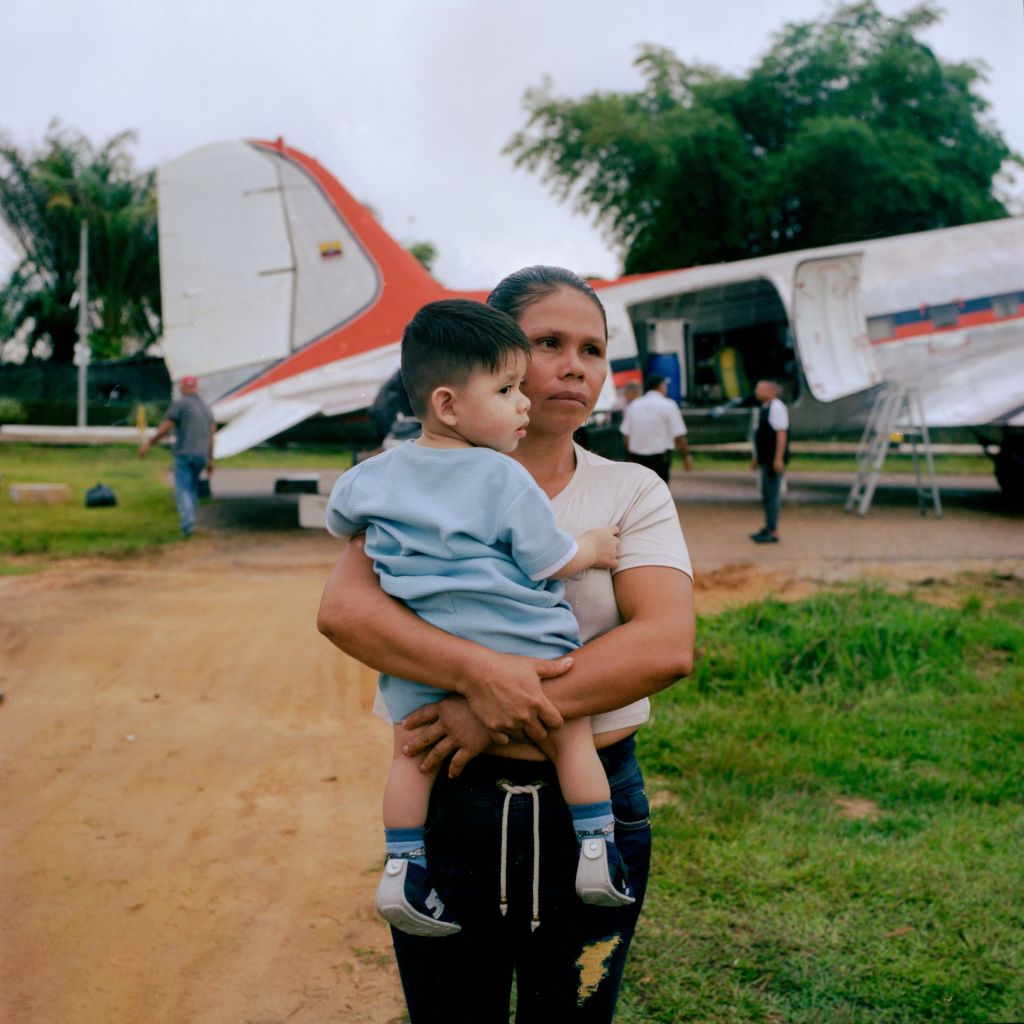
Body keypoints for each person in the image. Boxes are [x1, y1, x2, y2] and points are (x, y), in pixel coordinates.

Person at [317, 266, 694, 1022]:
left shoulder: (632, 492)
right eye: (547, 342)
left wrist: (477, 710)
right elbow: (346, 612)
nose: (574, 365)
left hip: (590, 810)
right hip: (454, 808)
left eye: (593, 348)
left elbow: (662, 645)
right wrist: (477, 676)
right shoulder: (411, 484)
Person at [324, 299, 631, 939]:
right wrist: (597, 549)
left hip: (423, 657)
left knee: (410, 758)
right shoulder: (502, 476)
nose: (524, 403)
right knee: (571, 735)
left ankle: (403, 869)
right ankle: (597, 853)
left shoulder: (372, 476)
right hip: (523, 643)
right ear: (448, 405)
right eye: (508, 389)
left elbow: (339, 521)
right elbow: (549, 558)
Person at [138, 375, 215, 538]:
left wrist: (149, 443)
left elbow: (167, 425)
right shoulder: (206, 408)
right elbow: (211, 434)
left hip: (185, 453)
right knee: (192, 489)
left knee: (182, 489)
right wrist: (210, 459)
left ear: (183, 388)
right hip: (201, 455)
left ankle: (188, 525)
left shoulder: (181, 404)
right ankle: (191, 522)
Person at [619, 373, 692, 483]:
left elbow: (626, 437)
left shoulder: (634, 405)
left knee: (640, 491)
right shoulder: (669, 405)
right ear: (661, 386)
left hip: (638, 458)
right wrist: (686, 456)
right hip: (660, 458)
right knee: (659, 491)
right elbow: (679, 435)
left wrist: (630, 457)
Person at [749, 378, 790, 543]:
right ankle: (769, 526)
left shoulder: (777, 408)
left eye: (761, 389)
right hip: (765, 458)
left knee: (772, 494)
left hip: (772, 459)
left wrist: (778, 458)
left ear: (771, 391)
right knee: (766, 493)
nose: (757, 392)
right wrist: (757, 458)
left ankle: (772, 530)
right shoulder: (765, 408)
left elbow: (781, 434)